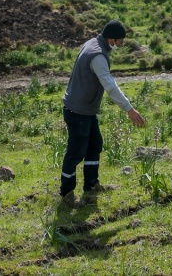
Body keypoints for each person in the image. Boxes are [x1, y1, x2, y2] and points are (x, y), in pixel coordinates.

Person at [60, 20, 146, 208]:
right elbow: (110, 86)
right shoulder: (98, 55)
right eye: (120, 41)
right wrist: (129, 109)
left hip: (85, 109)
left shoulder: (92, 43)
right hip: (78, 111)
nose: (121, 45)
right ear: (111, 39)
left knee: (94, 145)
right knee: (75, 153)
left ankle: (91, 185)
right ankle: (66, 193)